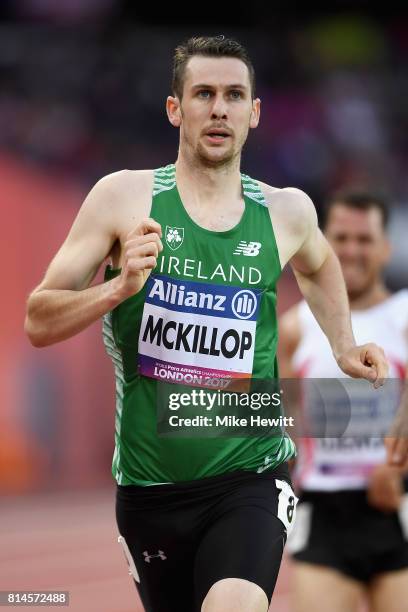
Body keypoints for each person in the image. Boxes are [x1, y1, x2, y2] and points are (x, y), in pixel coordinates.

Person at [25, 36, 388, 612]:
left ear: (254, 112)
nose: (219, 109)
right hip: (150, 490)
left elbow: (319, 265)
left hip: (252, 473)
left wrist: (342, 345)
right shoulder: (122, 199)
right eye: (204, 94)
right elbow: (38, 320)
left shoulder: (287, 211)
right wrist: (118, 287)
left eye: (234, 95)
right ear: (176, 109)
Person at [279, 191, 408, 612]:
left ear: (386, 247)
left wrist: (399, 465)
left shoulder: (404, 318)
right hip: (324, 510)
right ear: (322, 244)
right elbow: (270, 409)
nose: (351, 250)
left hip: (399, 508)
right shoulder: (295, 327)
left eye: (364, 239)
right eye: (341, 238)